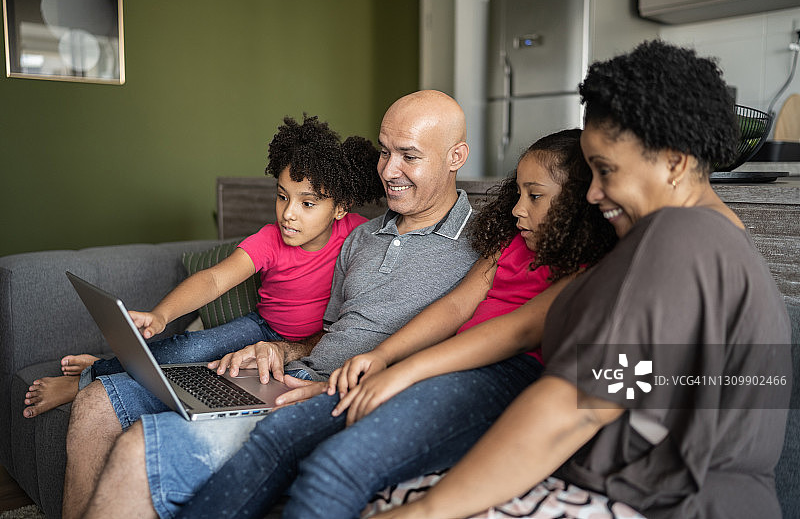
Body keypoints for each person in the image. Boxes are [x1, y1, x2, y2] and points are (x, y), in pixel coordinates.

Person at [370, 41, 793, 519]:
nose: (592, 193)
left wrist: (425, 512)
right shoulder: (714, 239)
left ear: (675, 162)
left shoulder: (677, 236)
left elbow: (578, 406)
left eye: (606, 170)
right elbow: (579, 355)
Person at [66, 90, 480, 519]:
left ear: (456, 157)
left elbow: (476, 357)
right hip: (286, 374)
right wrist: (281, 350)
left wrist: (343, 386)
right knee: (96, 403)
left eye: (408, 156)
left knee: (140, 448)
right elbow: (327, 332)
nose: (388, 170)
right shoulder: (362, 236)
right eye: (384, 152)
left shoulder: (484, 247)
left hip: (337, 398)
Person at [167, 129, 618, 519]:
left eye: (534, 196)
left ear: (581, 203)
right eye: (517, 193)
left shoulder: (591, 267)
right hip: (441, 363)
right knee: (276, 433)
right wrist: (381, 357)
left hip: (500, 374)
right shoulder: (509, 242)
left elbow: (517, 332)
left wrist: (401, 373)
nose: (517, 209)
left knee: (331, 468)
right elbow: (455, 308)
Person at [22, 114, 383, 420]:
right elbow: (213, 281)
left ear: (340, 208)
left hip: (312, 345)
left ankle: (99, 365)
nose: (288, 213)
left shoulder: (359, 236)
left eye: (307, 204)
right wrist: (162, 314)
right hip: (263, 326)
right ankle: (87, 377)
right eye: (282, 196)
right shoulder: (269, 240)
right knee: (188, 350)